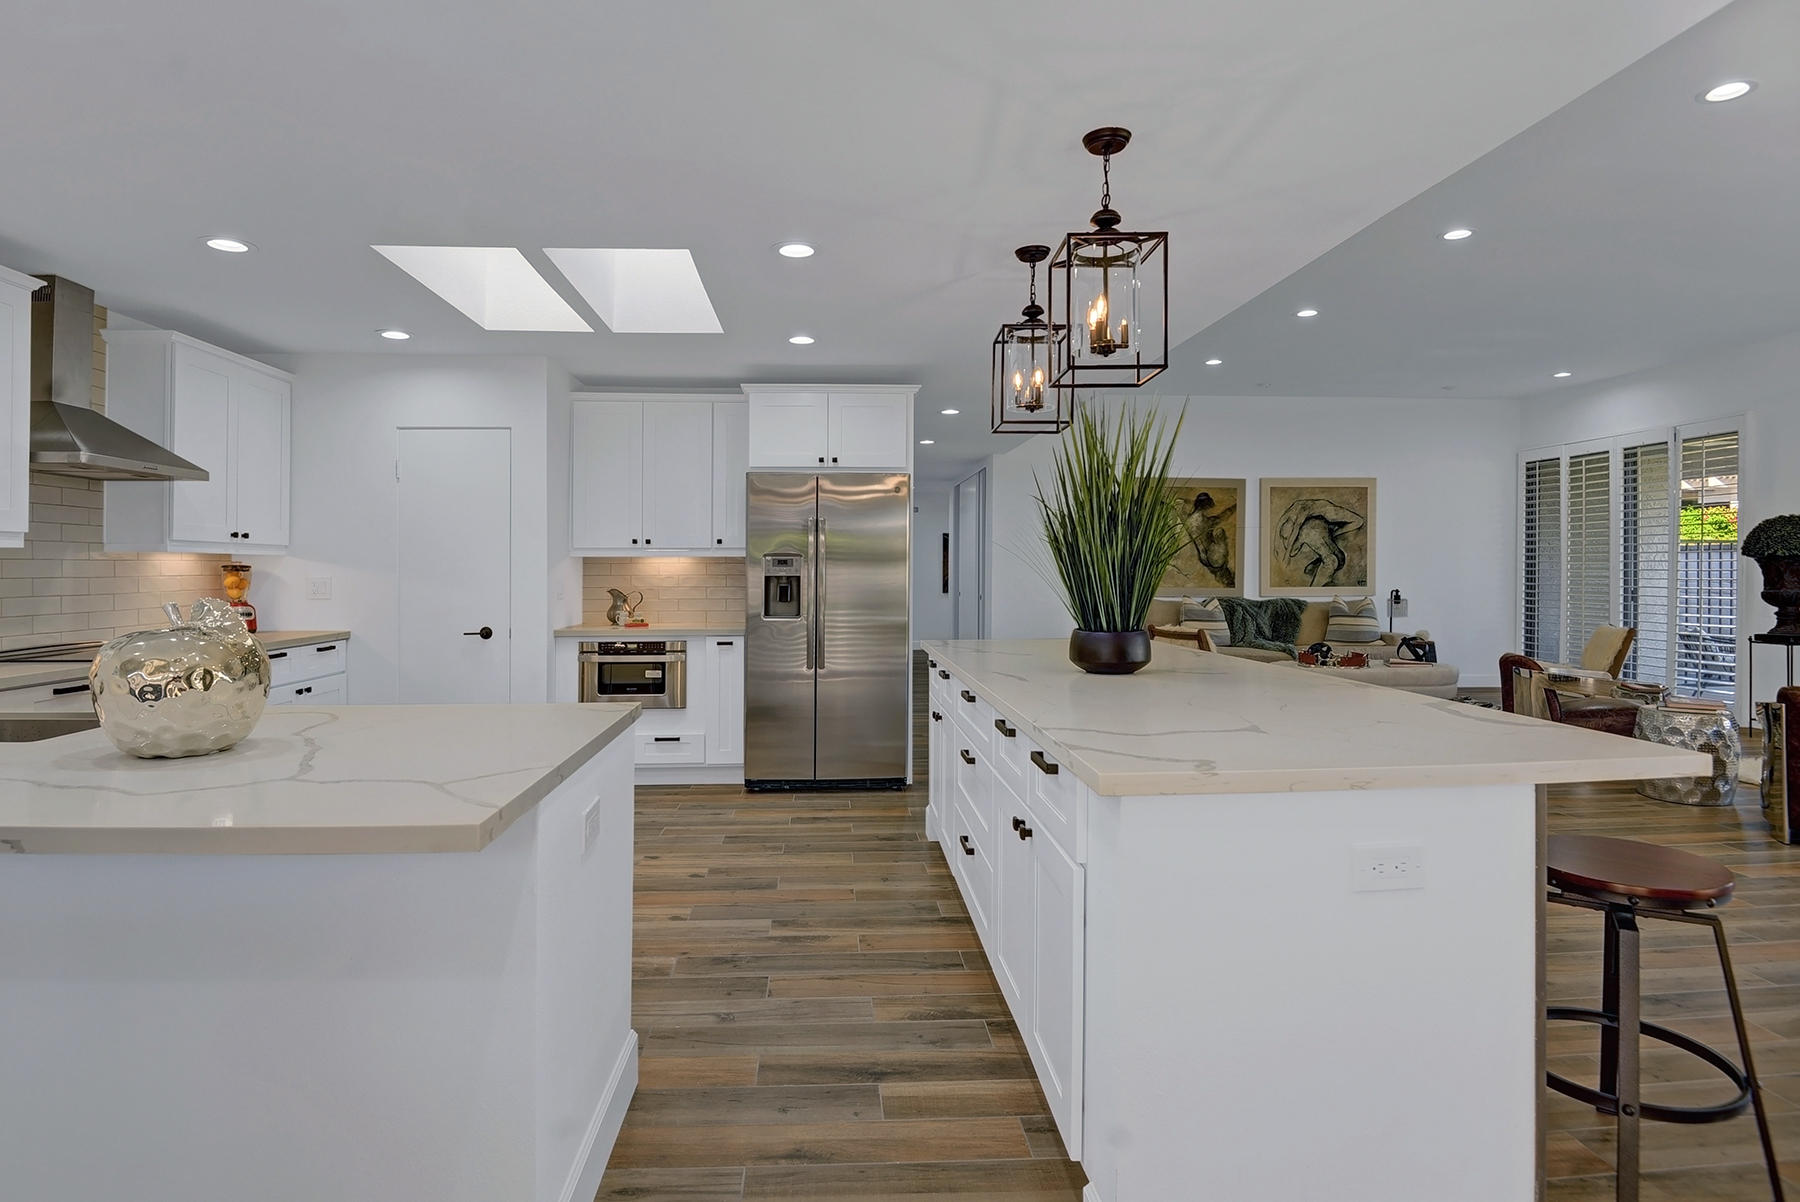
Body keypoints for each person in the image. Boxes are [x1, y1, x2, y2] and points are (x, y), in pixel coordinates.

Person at [1276, 497, 1365, 587]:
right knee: (1310, 570)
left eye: (1286, 537)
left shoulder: (1302, 528)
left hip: (1331, 560)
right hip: (1339, 556)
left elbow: (1292, 551)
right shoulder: (1316, 521)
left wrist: (1287, 553)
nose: (1286, 539)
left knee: (1313, 585)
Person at [1183, 491, 1237, 588]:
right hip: (1213, 557)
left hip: (1204, 559)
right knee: (1220, 532)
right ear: (1206, 506)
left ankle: (1227, 580)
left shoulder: (1188, 521)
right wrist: (1235, 506)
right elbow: (1224, 515)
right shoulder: (1207, 522)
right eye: (1208, 507)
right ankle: (1228, 581)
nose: (1209, 510)